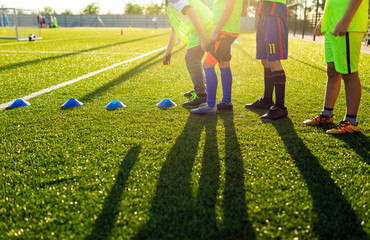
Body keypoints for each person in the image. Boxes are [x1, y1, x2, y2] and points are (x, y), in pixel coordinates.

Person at [303, 0, 368, 134]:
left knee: (349, 74)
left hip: (348, 25)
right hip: (331, 25)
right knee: (332, 72)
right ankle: (327, 114)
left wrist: (345, 21)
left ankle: (351, 121)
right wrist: (322, 20)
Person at [190, 0, 242, 115]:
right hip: (228, 30)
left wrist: (215, 31)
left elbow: (228, 9)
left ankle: (211, 105)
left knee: (207, 65)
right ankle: (227, 102)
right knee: (223, 63)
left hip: (224, 31)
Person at [244, 0, 289, 121]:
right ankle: (267, 100)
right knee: (264, 60)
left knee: (274, 61)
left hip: (274, 12)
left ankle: (280, 107)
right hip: (263, 12)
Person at [163, 0, 212, 106]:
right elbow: (174, 30)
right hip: (206, 24)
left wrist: (203, 37)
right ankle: (202, 90)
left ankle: (201, 94)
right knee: (193, 59)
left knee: (191, 58)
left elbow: (192, 13)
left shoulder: (174, 0)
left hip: (205, 26)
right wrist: (168, 51)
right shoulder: (170, 4)